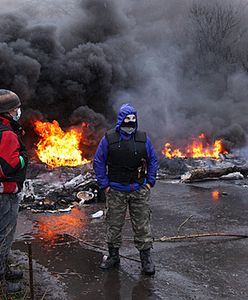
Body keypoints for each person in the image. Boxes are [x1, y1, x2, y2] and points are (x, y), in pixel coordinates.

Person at [93, 103, 157, 275]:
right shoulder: (109, 139)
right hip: (116, 189)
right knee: (114, 224)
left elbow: (152, 160)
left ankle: (146, 259)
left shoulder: (143, 138)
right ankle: (113, 256)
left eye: (133, 119)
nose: (131, 122)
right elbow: (98, 161)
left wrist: (150, 181)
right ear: (121, 120)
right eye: (127, 119)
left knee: (142, 224)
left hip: (139, 188)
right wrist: (104, 185)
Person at [0, 89, 28, 294]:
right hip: (5, 194)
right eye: (16, 109)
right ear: (9, 112)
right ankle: (1, 280)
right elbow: (8, 167)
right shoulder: (7, 134)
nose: (19, 112)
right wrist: (23, 158)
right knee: (4, 235)